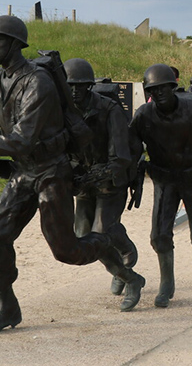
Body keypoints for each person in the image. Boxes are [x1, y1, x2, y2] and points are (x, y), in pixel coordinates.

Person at [0, 16, 145, 335]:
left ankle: (119, 262)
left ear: (16, 44)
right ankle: (7, 307)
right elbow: (5, 128)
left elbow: (22, 137)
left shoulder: (38, 81)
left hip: (52, 172)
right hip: (24, 171)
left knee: (67, 251)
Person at [130, 63, 192, 308]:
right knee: (159, 236)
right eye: (154, 89)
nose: (159, 93)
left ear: (173, 87)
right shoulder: (143, 116)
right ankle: (167, 284)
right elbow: (128, 151)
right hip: (164, 180)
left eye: (164, 88)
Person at [64, 58, 140, 297]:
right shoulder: (64, 112)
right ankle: (122, 262)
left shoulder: (109, 109)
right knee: (82, 235)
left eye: (80, 85)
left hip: (111, 181)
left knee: (100, 232)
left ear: (90, 86)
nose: (74, 91)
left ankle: (127, 264)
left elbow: (121, 157)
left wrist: (97, 174)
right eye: (70, 86)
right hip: (84, 183)